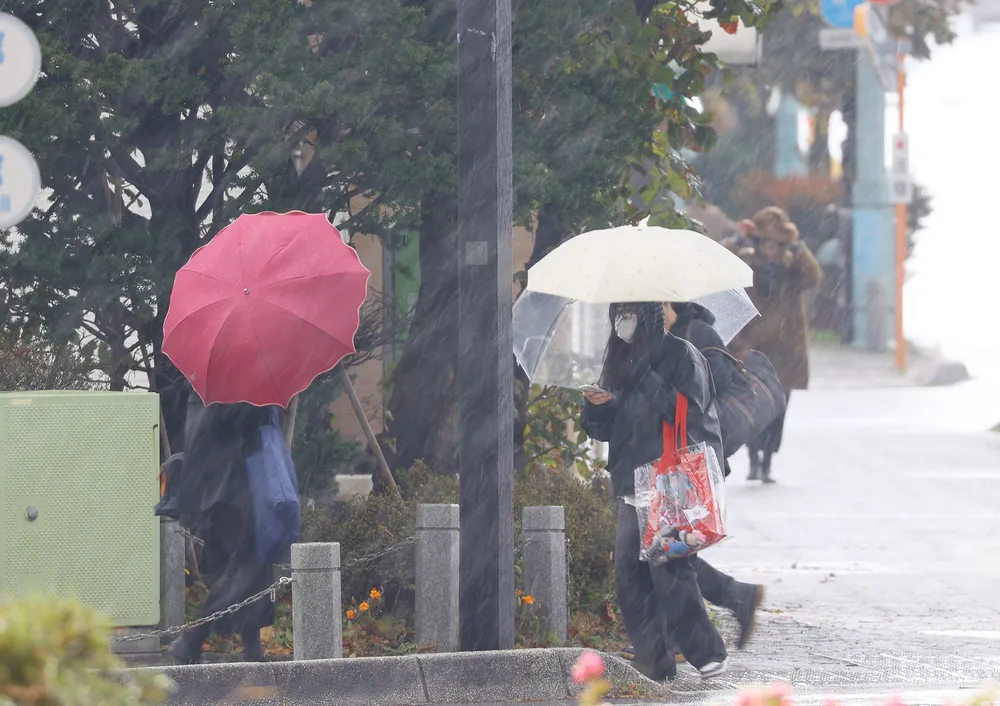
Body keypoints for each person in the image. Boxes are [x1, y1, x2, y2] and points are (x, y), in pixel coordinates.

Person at [581, 302, 729, 681]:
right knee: (629, 577)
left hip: (668, 482)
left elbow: (687, 413)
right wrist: (596, 407)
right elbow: (602, 429)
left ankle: (707, 652)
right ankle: (654, 661)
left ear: (647, 313)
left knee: (670, 570)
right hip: (630, 482)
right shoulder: (617, 357)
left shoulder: (682, 355)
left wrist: (645, 374)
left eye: (629, 312)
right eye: (617, 313)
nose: (622, 321)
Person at [664, 301, 765, 646]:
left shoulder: (697, 334)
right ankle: (733, 598)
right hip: (666, 455)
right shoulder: (659, 338)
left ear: (667, 302)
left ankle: (689, 637)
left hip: (690, 456)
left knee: (667, 550)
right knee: (668, 549)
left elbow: (712, 392)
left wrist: (672, 385)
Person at [166, 399, 278, 664]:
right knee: (240, 575)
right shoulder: (240, 403)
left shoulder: (212, 400)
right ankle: (192, 641)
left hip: (222, 500)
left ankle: (251, 649)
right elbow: (249, 441)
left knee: (250, 574)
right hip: (237, 501)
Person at [723, 208, 822, 483]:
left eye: (776, 243)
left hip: (785, 350)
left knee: (778, 409)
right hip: (752, 347)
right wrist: (740, 239)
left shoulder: (792, 266)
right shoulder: (745, 262)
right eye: (764, 241)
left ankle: (767, 460)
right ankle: (754, 459)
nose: (769, 248)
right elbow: (722, 264)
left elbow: (813, 276)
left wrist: (797, 245)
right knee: (753, 406)